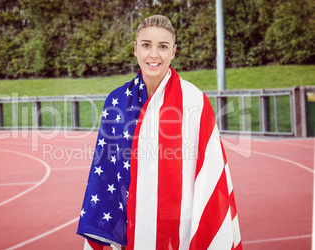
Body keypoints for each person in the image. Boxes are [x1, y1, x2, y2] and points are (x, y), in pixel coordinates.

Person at [77, 14, 242, 250]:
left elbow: (210, 173)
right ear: (135, 49)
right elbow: (106, 172)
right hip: (128, 230)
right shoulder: (116, 101)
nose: (153, 55)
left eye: (162, 46)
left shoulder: (194, 101)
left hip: (180, 232)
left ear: (173, 51)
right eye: (146, 45)